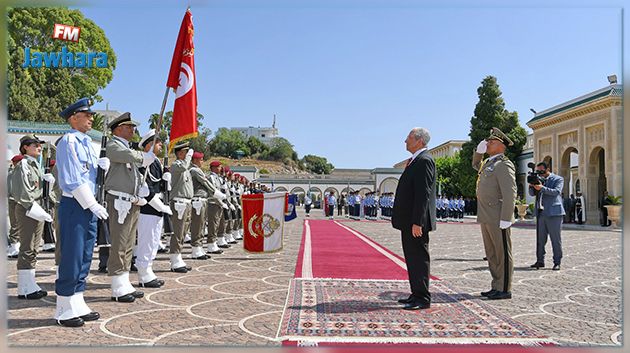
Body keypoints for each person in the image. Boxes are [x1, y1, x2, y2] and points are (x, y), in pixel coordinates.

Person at [55, 98, 109, 327]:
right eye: (87, 115)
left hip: (88, 204)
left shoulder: (87, 142)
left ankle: (77, 299)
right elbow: (72, 178)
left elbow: (89, 177)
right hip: (75, 204)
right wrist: (92, 203)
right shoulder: (68, 141)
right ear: (73, 118)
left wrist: (101, 169)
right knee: (72, 255)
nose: (91, 119)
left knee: (86, 254)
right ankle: (63, 306)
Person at [105, 113, 155, 302]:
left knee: (127, 244)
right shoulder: (114, 145)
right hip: (119, 201)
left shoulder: (126, 148)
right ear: (118, 129)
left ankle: (124, 281)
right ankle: (117, 285)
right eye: (129, 127)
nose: (133, 130)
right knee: (119, 243)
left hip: (131, 201)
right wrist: (143, 156)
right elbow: (125, 156)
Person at [392, 127, 436, 310]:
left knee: (418, 258)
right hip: (409, 221)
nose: (405, 140)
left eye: (409, 137)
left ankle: (423, 297)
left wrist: (418, 222)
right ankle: (416, 293)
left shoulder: (424, 160)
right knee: (412, 258)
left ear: (419, 140)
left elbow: (422, 194)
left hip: (416, 223)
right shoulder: (415, 160)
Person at [472, 127, 517, 300]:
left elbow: (509, 192)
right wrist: (478, 152)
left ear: (501, 145)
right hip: (486, 215)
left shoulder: (504, 164)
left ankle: (504, 288)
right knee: (491, 253)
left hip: (498, 216)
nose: (488, 144)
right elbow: (476, 165)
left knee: (502, 253)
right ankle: (496, 285)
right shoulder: (489, 163)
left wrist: (506, 218)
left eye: (491, 142)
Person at [11, 134, 53, 300]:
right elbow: (21, 191)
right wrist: (33, 207)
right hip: (28, 208)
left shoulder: (36, 165)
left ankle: (30, 283)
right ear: (25, 147)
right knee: (27, 248)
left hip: (36, 208)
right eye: (34, 144)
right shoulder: (23, 165)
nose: (39, 147)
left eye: (39, 144)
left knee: (34, 248)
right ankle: (24, 287)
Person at [135, 130, 171, 288]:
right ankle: (143, 272)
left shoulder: (156, 161)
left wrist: (166, 181)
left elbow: (157, 185)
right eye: (158, 142)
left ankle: (148, 269)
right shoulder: (145, 161)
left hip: (157, 205)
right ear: (149, 144)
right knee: (147, 240)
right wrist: (159, 205)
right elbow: (145, 187)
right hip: (149, 206)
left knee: (155, 239)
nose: (161, 144)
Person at [528, 162, 565, 271]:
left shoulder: (558, 179)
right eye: (538, 171)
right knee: (540, 239)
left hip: (554, 213)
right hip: (541, 213)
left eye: (541, 171)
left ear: (547, 169)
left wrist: (542, 188)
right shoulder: (538, 179)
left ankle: (557, 262)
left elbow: (556, 192)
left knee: (555, 240)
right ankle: (540, 261)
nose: (540, 173)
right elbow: (532, 194)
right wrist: (532, 186)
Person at [190, 152, 225, 259]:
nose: (202, 161)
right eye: (201, 159)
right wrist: (217, 194)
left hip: (203, 200)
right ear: (195, 160)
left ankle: (199, 248)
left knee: (201, 225)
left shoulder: (197, 170)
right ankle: (196, 248)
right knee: (199, 225)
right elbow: (206, 183)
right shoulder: (194, 170)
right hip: (199, 200)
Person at [170, 141, 195, 272]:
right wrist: (189, 157)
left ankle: (178, 257)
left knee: (184, 231)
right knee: (178, 232)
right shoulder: (176, 165)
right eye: (185, 152)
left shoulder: (185, 168)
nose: (187, 155)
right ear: (180, 153)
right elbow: (184, 166)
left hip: (186, 203)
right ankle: (174, 259)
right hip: (179, 203)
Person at [7, 154, 23, 258]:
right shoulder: (12, 173)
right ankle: (14, 247)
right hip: (14, 201)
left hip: (21, 201)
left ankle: (18, 245)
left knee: (21, 224)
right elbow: (10, 189)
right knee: (15, 224)